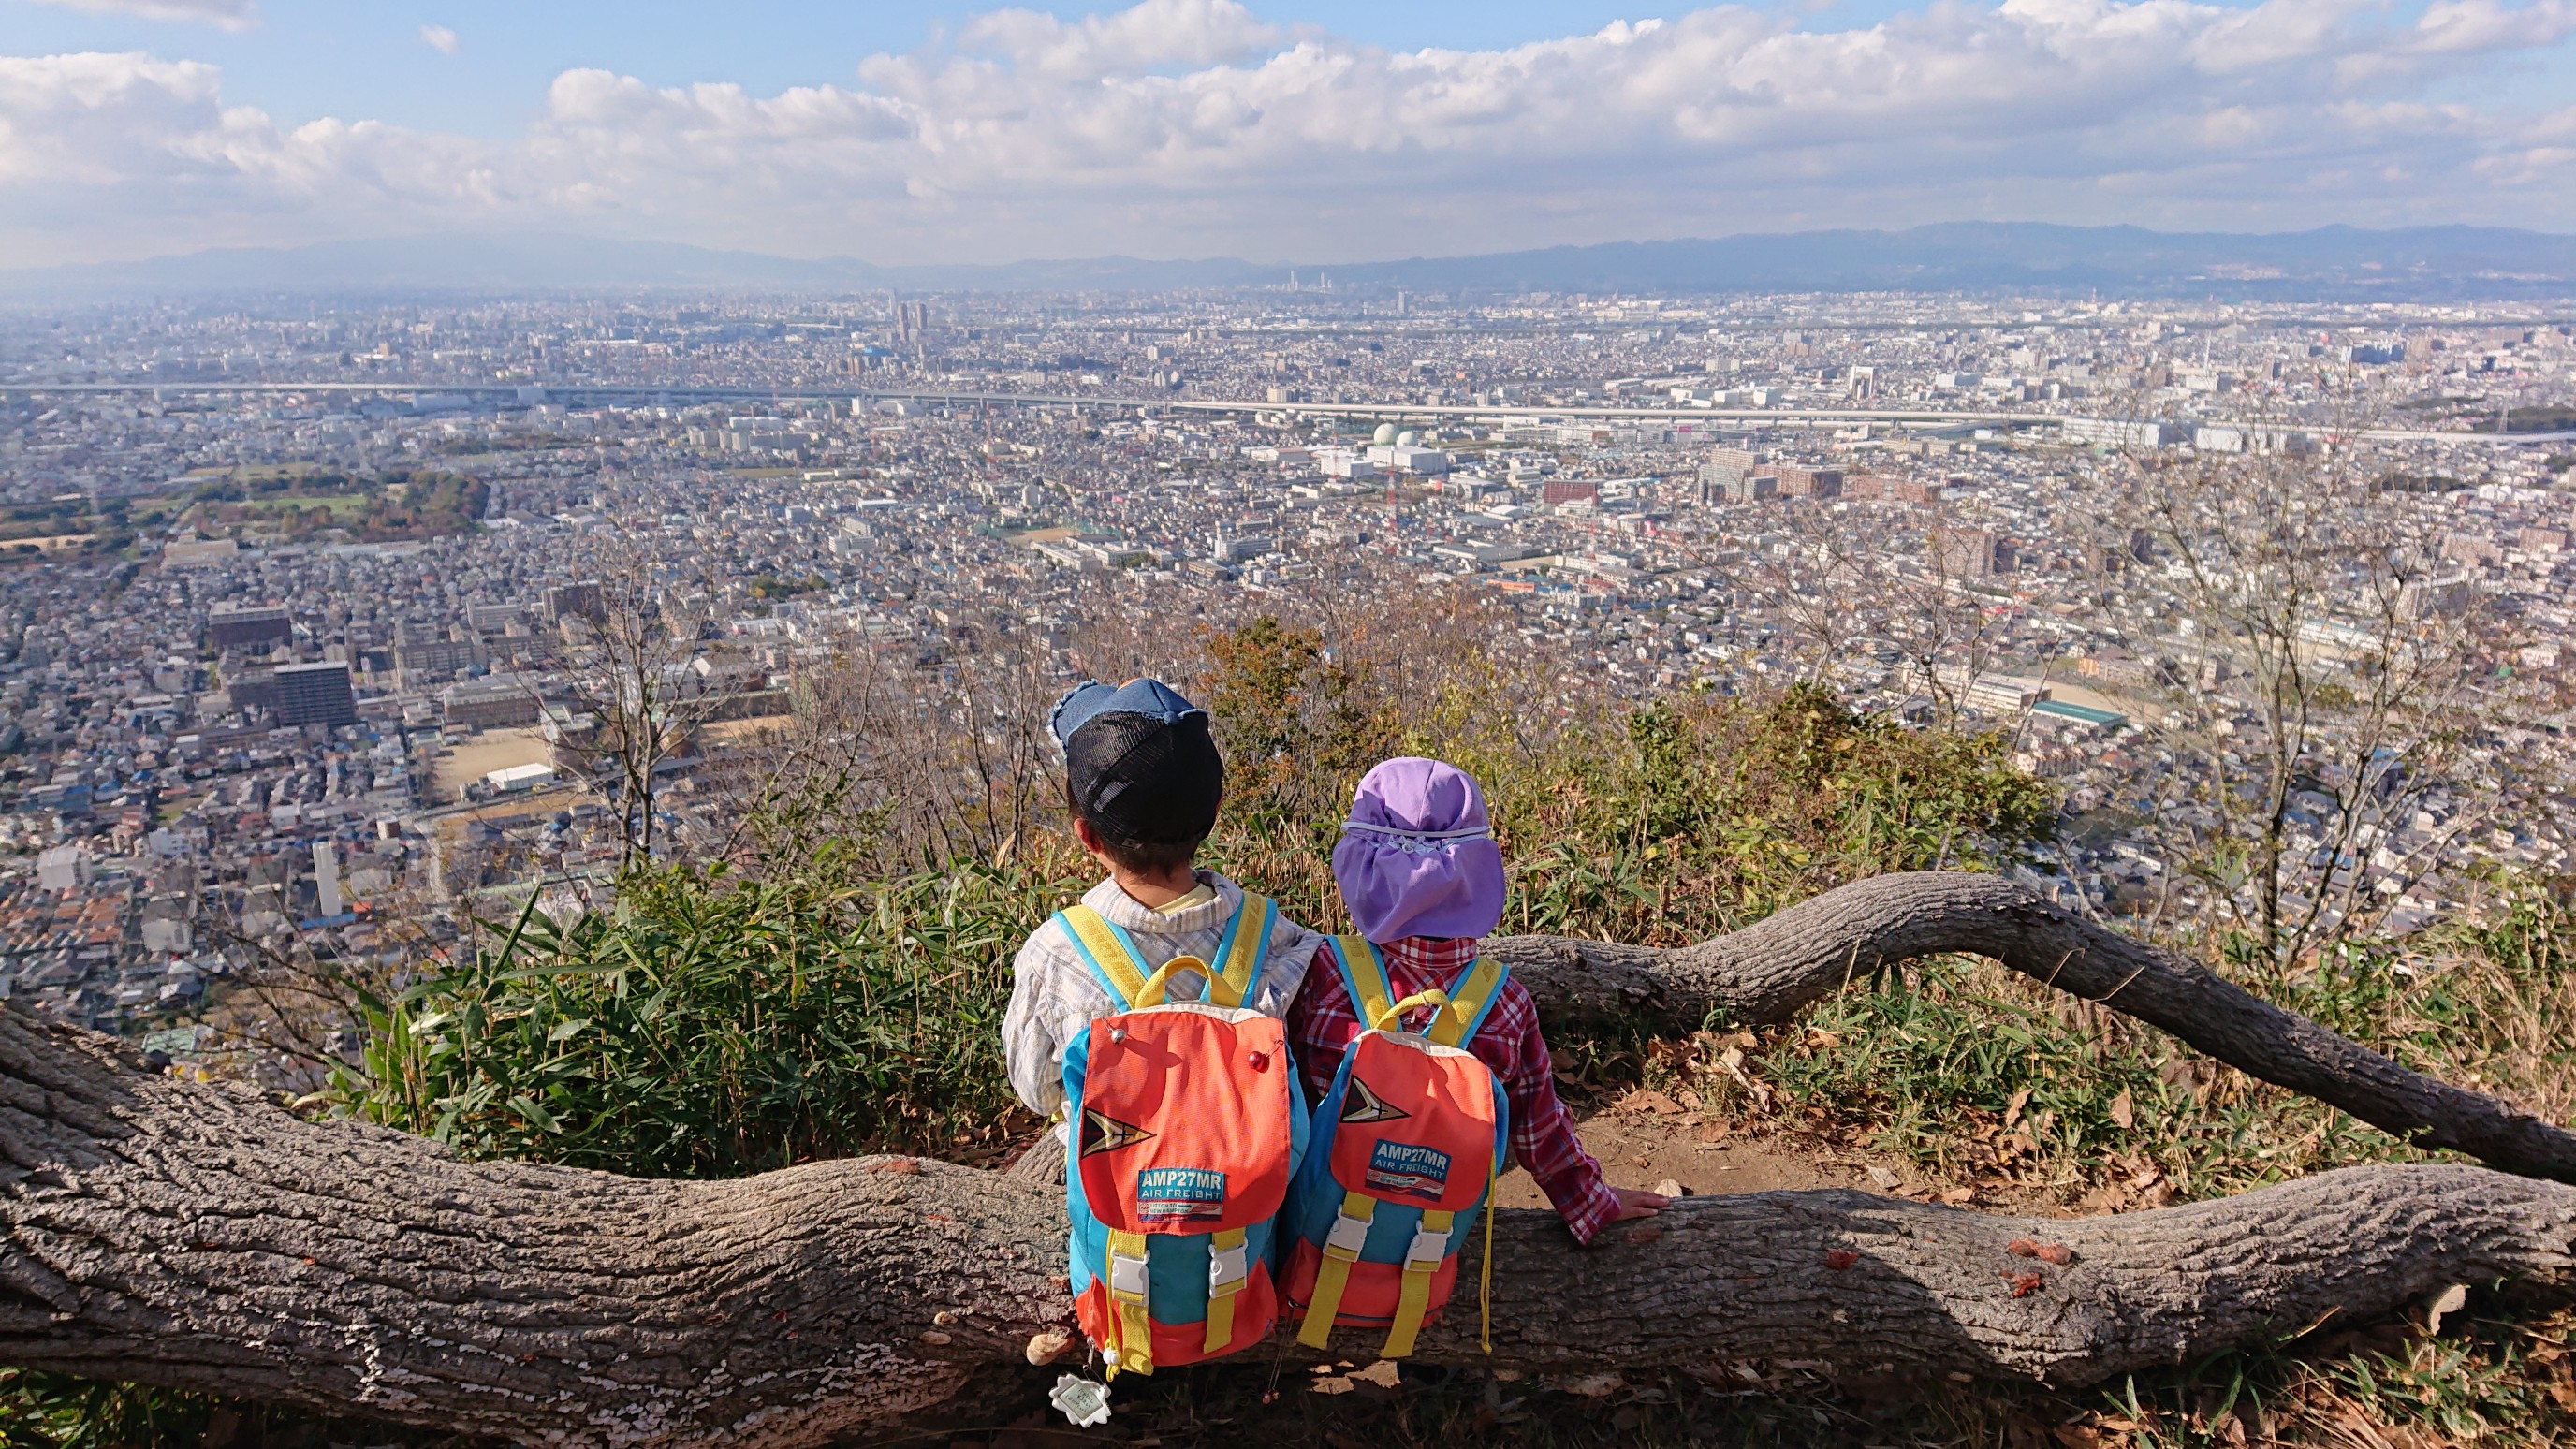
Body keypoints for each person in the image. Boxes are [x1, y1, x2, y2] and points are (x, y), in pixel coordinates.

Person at [1286, 756, 1667, 1243]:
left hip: (1308, 1237)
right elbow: (1539, 1128)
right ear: (1476, 874)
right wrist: (1594, 1201)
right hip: (1427, 1246)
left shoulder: (1323, 972)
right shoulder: (1505, 1002)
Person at [1002, 677, 1331, 1131]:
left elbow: (1036, 1089)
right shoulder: (1281, 938)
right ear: (1215, 813)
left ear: (1088, 836)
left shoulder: (1055, 953)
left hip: (1116, 1193)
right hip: (1250, 1188)